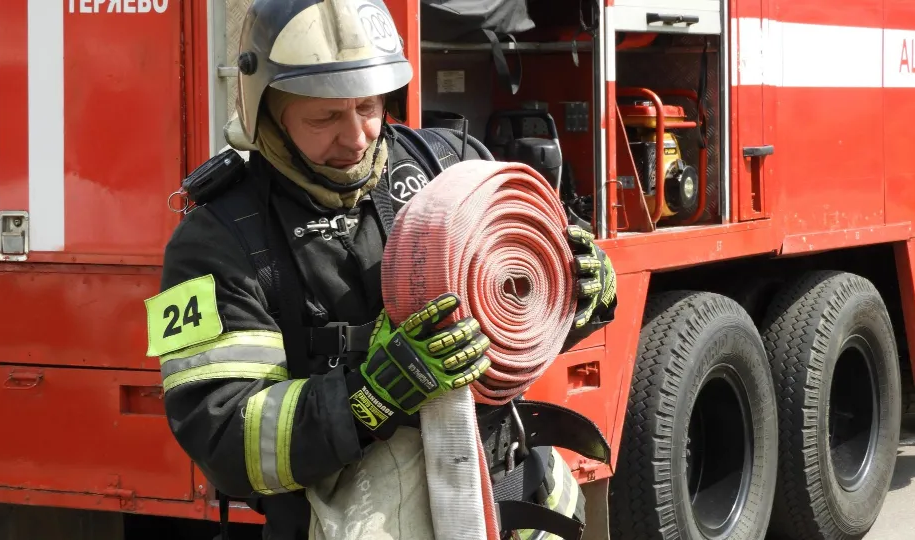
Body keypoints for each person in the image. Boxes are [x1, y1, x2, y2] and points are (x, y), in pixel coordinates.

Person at [143, 1, 618, 538]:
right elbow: (223, 434)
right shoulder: (213, 243)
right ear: (265, 108)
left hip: (519, 508)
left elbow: (514, 327)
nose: (356, 137)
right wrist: (371, 396)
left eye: (369, 106)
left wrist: (577, 297)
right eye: (324, 117)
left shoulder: (449, 163)